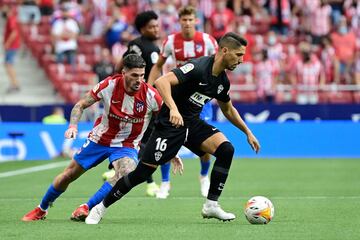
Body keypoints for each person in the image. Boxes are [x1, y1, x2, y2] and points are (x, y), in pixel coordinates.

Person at [85, 32, 260, 224]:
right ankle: (100, 208)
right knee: (141, 174)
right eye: (238, 55)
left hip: (192, 124)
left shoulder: (222, 81)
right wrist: (174, 109)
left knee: (226, 149)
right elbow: (162, 81)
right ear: (224, 51)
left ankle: (211, 205)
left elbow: (228, 108)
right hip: (169, 123)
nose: (241, 60)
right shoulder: (198, 67)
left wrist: (248, 132)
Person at [21, 54, 163, 222]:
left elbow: (165, 123)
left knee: (126, 172)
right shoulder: (108, 85)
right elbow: (80, 105)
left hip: (127, 144)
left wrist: (170, 148)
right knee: (68, 175)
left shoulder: (152, 96)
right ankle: (42, 209)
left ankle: (87, 207)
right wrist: (73, 125)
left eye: (142, 75)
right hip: (100, 139)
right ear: (124, 73)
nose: (139, 80)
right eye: (134, 75)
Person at [148, 6, 218, 199]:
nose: (187, 23)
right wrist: (149, 88)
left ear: (196, 21)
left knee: (205, 142)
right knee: (166, 139)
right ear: (180, 21)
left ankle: (204, 177)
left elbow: (218, 66)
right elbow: (158, 67)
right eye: (184, 20)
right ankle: (165, 183)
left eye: (190, 19)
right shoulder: (170, 41)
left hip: (201, 99)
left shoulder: (208, 41)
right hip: (178, 97)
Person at [109, 10, 162, 197]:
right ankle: (150, 182)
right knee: (143, 141)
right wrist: (154, 93)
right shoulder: (153, 50)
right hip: (143, 100)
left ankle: (114, 166)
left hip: (125, 96)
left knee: (123, 134)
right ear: (142, 28)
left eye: (157, 25)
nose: (156, 29)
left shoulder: (133, 43)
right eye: (152, 26)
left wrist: (114, 80)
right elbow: (157, 73)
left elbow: (120, 65)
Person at [3, 5, 21, 94]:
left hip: (12, 46)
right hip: (12, 46)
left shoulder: (11, 19)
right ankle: (14, 83)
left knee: (9, 64)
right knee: (7, 64)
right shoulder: (11, 18)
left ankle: (15, 84)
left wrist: (7, 43)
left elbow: (14, 32)